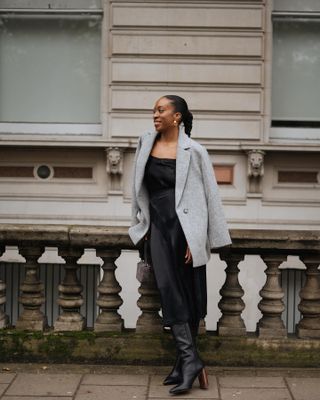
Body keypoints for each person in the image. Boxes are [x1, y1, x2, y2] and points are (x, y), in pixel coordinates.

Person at [128, 95, 231, 395]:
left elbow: (209, 196)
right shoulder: (145, 143)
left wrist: (199, 238)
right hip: (158, 227)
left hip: (184, 230)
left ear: (177, 117)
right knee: (169, 290)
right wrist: (141, 223)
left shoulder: (195, 151)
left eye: (161, 110)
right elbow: (139, 190)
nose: (155, 115)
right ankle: (190, 361)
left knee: (188, 294)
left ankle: (185, 363)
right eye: (153, 110)